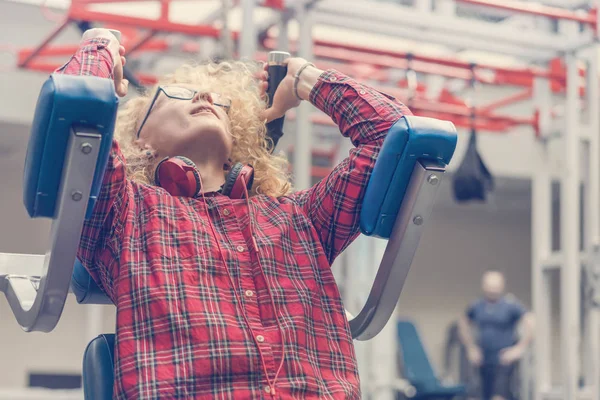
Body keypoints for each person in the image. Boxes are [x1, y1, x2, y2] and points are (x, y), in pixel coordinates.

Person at [56, 28, 412, 399]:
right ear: (140, 142)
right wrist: (101, 48)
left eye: (218, 102)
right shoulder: (124, 212)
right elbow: (75, 115)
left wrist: (305, 79)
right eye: (177, 96)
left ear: (234, 145)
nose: (206, 97)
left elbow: (393, 133)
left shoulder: (298, 218)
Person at [458, 271, 535, 400]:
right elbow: (463, 322)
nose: (493, 289)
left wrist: (519, 348)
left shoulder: (511, 305)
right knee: (475, 396)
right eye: (490, 285)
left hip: (503, 361)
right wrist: (471, 347)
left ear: (502, 286)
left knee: (498, 397)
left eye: (496, 286)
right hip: (482, 360)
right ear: (484, 286)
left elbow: (531, 322)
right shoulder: (477, 306)